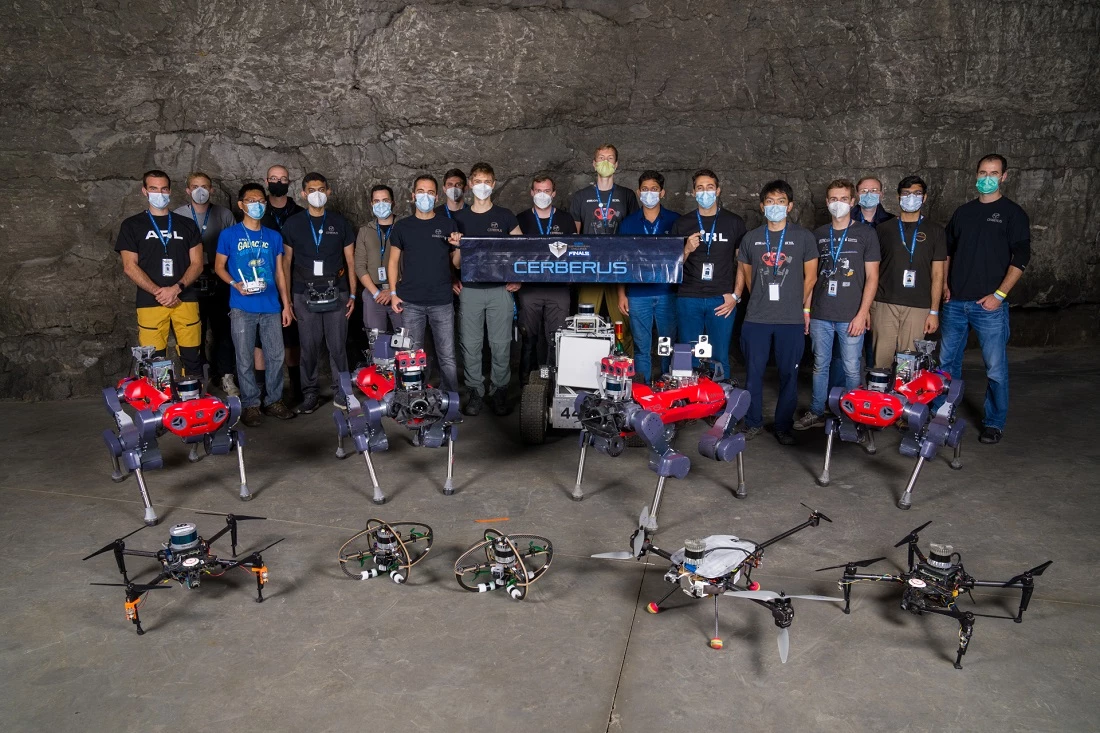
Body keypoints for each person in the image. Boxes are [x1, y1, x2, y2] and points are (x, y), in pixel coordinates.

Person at [940, 154, 1031, 444]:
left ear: (1004, 176)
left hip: (989, 306)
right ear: (976, 175)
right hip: (955, 303)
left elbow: (1022, 256)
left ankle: (994, 423)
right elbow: (948, 251)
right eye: (983, 172)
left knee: (995, 368)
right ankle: (944, 414)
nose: (987, 177)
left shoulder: (1012, 213)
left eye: (994, 172)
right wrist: (944, 284)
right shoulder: (963, 212)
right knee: (947, 364)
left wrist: (999, 295)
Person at [736, 180, 818, 445]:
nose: (775, 206)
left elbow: (811, 277)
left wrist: (800, 306)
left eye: (781, 202)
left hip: (790, 319)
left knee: (788, 375)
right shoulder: (751, 237)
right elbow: (749, 278)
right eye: (769, 202)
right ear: (762, 206)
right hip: (757, 318)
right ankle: (753, 422)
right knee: (753, 374)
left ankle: (783, 426)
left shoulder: (804, 237)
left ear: (790, 206)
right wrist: (762, 299)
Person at [794, 179, 880, 431]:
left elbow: (873, 277)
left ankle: (854, 415)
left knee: (852, 368)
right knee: (820, 365)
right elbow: (810, 277)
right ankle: (817, 410)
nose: (838, 203)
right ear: (827, 202)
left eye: (843, 199)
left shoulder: (866, 234)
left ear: (853, 202)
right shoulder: (818, 235)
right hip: (821, 314)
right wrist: (807, 311)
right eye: (833, 199)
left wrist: (863, 314)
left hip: (851, 315)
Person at [214, 183, 295, 426]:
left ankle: (274, 400)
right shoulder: (229, 234)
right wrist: (234, 283)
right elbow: (219, 266)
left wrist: (286, 305)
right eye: (251, 200)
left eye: (260, 200)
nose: (257, 205)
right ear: (241, 205)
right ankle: (251, 404)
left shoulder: (273, 236)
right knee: (245, 357)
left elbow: (280, 273)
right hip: (242, 306)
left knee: (276, 356)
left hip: (270, 305)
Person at [115, 170, 205, 377]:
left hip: (186, 298)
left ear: (170, 191)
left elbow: (198, 263)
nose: (159, 193)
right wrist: (160, 292)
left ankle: (192, 400)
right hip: (150, 301)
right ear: (144, 191)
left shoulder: (187, 224)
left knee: (192, 356)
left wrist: (176, 288)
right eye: (154, 188)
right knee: (154, 360)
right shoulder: (131, 225)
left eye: (164, 188)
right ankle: (160, 404)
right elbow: (129, 266)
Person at [281, 173, 357, 414]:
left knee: (337, 346)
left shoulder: (340, 222)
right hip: (304, 293)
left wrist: (353, 294)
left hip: (338, 291)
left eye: (321, 189)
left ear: (328, 191)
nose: (317, 193)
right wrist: (288, 299)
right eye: (311, 189)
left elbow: (351, 260)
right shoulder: (293, 224)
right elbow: (286, 263)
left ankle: (341, 391)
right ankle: (310, 393)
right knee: (309, 346)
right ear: (303, 193)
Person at [452, 162, 522, 416]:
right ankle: (474, 391)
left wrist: (519, 279)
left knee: (501, 343)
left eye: (487, 181)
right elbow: (452, 262)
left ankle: (500, 389)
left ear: (493, 184)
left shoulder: (505, 216)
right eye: (477, 181)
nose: (482, 186)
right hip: (470, 289)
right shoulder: (459, 218)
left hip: (499, 290)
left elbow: (521, 250)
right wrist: (459, 248)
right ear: (470, 184)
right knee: (470, 344)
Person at [670, 169, 747, 382]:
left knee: (720, 355)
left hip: (721, 299)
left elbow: (743, 263)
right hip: (689, 297)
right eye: (700, 188)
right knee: (688, 353)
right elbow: (672, 266)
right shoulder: (682, 223)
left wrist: (736, 295)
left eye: (710, 187)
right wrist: (686, 249)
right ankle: (688, 402)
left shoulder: (734, 222)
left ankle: (722, 404)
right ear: (693, 192)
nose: (705, 192)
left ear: (718, 190)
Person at [388, 174, 460, 393]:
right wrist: (393, 293)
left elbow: (455, 264)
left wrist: (459, 247)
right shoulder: (402, 227)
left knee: (447, 355)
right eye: (421, 192)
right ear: (413, 196)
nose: (425, 196)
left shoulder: (447, 224)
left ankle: (450, 402)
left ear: (436, 196)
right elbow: (392, 262)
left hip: (441, 301)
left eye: (430, 193)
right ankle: (414, 400)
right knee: (413, 356)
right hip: (411, 302)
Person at [870, 175, 947, 368]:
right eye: (906, 193)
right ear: (898, 197)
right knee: (881, 361)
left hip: (918, 306)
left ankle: (906, 398)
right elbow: (872, 270)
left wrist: (934, 311)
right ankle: (881, 397)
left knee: (909, 363)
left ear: (925, 197)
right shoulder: (883, 229)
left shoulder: (936, 231)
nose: (911, 197)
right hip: (884, 303)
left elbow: (938, 274)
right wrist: (869, 307)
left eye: (916, 193)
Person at [568, 144, 638, 354]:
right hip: (591, 269)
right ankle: (585, 372)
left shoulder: (626, 196)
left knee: (622, 324)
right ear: (594, 163)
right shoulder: (581, 196)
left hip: (619, 269)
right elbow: (574, 237)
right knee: (585, 324)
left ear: (616, 165)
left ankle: (626, 372)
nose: (605, 162)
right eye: (601, 158)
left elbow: (634, 233)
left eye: (610, 158)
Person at [173, 172, 238, 395]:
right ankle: (198, 378)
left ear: (212, 190)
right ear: (187, 190)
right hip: (190, 283)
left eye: (204, 186)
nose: (200, 190)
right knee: (193, 334)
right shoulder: (178, 216)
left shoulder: (225, 214)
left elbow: (235, 247)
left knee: (224, 332)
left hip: (219, 280)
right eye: (195, 186)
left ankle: (227, 375)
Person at [615, 170, 681, 382]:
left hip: (667, 293)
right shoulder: (628, 223)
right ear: (638, 192)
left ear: (662, 193)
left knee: (666, 346)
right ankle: (643, 391)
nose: (649, 193)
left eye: (654, 189)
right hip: (638, 294)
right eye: (645, 189)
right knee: (641, 347)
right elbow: (621, 261)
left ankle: (667, 388)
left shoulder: (675, 221)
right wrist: (621, 294)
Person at [515, 174, 576, 378]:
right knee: (528, 338)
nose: (542, 195)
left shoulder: (566, 219)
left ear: (554, 193)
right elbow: (511, 253)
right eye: (538, 191)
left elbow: (576, 250)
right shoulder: (521, 219)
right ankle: (527, 383)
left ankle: (553, 384)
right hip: (530, 288)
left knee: (557, 339)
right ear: (532, 193)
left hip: (558, 289)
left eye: (547, 191)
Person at [260, 164, 304, 404]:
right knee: (260, 340)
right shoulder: (257, 211)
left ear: (290, 182)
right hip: (262, 283)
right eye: (274, 178)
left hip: (293, 280)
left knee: (291, 336)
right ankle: (263, 391)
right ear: (266, 181)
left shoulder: (299, 213)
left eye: (283, 178)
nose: (278, 182)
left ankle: (296, 387)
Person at [354, 184, 403, 333]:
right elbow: (359, 266)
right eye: (376, 201)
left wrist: (393, 291)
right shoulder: (364, 231)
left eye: (385, 200)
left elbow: (413, 263)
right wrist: (376, 293)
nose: (381, 204)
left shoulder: (405, 227)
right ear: (371, 204)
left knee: (405, 343)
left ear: (393, 203)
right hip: (372, 293)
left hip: (401, 292)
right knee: (378, 345)